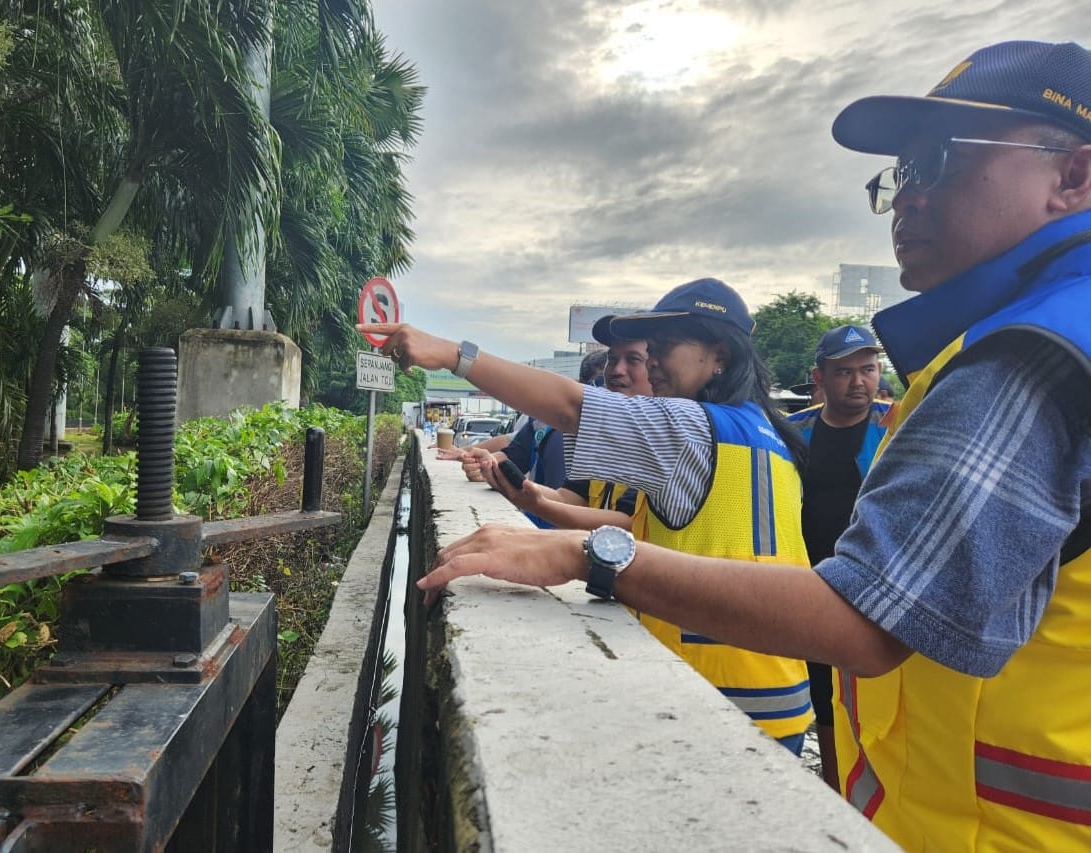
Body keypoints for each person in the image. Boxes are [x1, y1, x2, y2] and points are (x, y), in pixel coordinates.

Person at [386, 40, 1091, 851]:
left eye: (936, 161)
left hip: (934, 802)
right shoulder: (787, 420)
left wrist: (458, 361)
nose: (908, 199)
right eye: (899, 175)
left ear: (1073, 175)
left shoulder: (1033, 353)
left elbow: (868, 617)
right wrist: (540, 506)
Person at [364, 277, 817, 754]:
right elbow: (672, 536)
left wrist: (455, 353)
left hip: (723, 687)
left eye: (664, 347)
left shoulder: (691, 428)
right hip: (773, 681)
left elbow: (569, 405)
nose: (653, 360)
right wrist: (541, 512)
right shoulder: (766, 434)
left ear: (720, 354)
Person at [786, 325, 891, 792]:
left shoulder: (898, 423)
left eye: (867, 370)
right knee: (821, 692)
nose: (858, 382)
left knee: (877, 691)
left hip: (875, 583)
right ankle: (833, 788)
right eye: (844, 372)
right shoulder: (795, 431)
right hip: (809, 581)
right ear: (820, 377)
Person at [482, 335, 652, 530]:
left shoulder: (666, 441)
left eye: (633, 359)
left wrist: (458, 358)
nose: (617, 370)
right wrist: (504, 479)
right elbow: (569, 497)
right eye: (612, 360)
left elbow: (627, 523)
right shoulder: (600, 440)